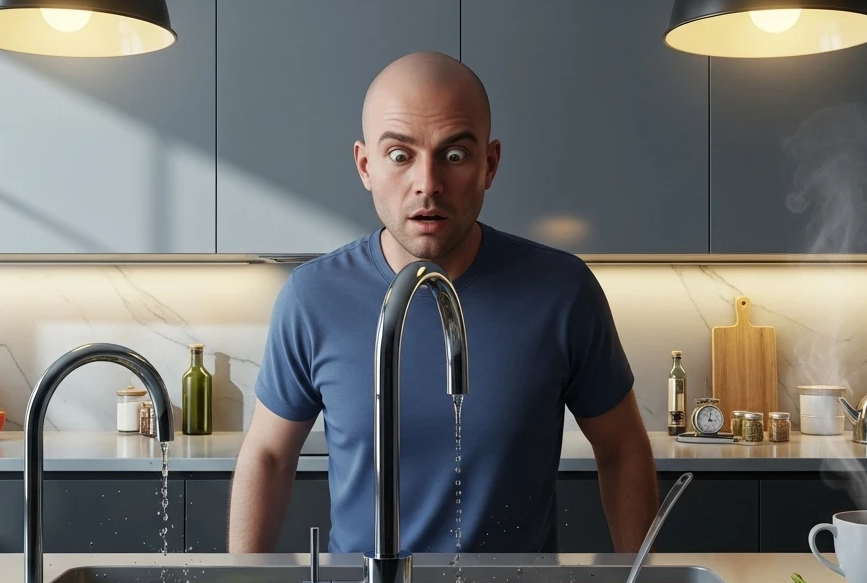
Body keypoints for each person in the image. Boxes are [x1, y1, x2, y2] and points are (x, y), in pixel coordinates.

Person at [227, 51, 659, 555]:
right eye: (399, 155)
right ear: (365, 166)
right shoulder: (312, 297)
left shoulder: (563, 291)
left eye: (454, 155)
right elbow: (268, 455)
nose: (428, 183)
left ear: (489, 165)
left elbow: (622, 447)